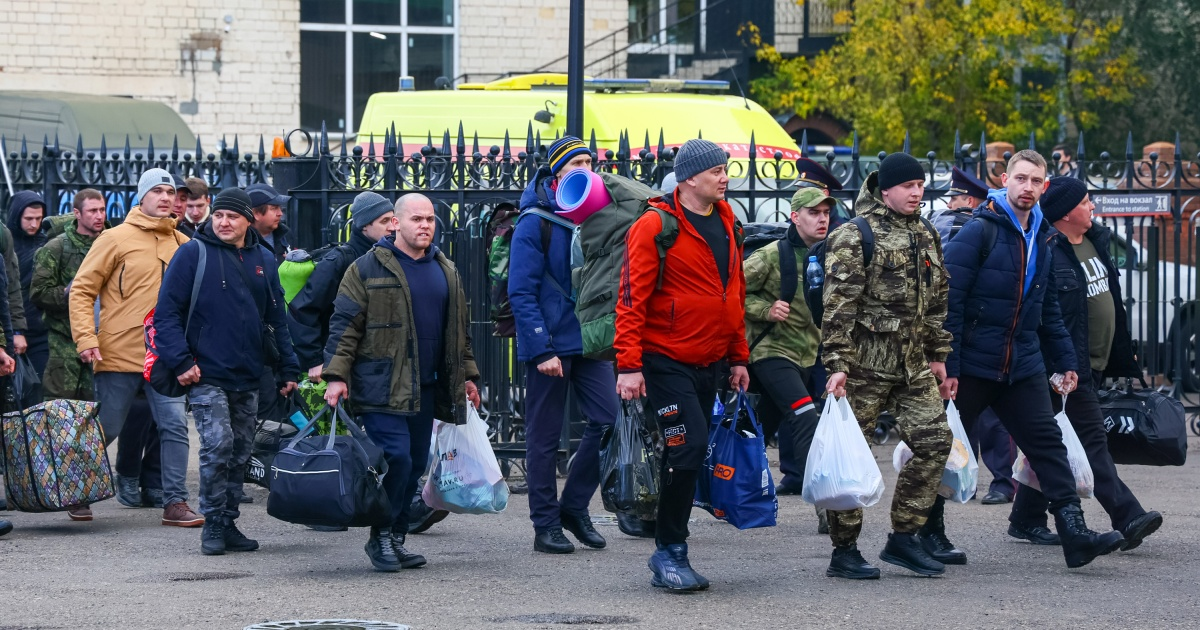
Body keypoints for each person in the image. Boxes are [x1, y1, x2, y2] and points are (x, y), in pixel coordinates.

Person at [941, 150, 1125, 569]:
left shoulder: (1043, 235)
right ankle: (929, 532)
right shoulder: (979, 231)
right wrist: (947, 364)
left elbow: (1048, 309)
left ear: (1044, 186)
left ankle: (1075, 535)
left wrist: (1065, 361)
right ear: (1005, 180)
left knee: (1048, 446)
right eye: (1021, 178)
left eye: (1036, 181)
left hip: (1022, 364)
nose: (1028, 187)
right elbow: (949, 303)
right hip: (974, 363)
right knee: (943, 448)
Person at [615, 138, 750, 592]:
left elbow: (733, 294)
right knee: (687, 447)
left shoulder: (729, 221)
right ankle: (669, 551)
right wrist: (628, 365)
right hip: (665, 360)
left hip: (710, 361)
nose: (725, 178)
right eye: (716, 171)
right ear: (690, 177)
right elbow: (630, 298)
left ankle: (670, 545)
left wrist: (738, 357)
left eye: (725, 169)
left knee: (689, 451)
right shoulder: (655, 225)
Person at [323, 192, 481, 572]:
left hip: (426, 385)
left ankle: (396, 537)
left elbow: (459, 332)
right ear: (395, 223)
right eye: (416, 219)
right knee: (395, 457)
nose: (425, 225)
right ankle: (380, 536)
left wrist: (468, 375)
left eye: (430, 219)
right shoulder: (366, 267)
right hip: (381, 383)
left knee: (414, 463)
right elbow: (345, 325)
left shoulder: (445, 269)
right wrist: (336, 375)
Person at [1005, 176, 1163, 550]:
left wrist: (1120, 351)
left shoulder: (1095, 242)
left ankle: (1026, 518)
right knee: (1091, 440)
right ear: (1064, 213)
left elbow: (1110, 301)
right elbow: (1045, 317)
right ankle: (1128, 515)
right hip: (1065, 365)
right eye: (1085, 201)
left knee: (1048, 442)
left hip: (1093, 362)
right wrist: (1058, 365)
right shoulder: (1049, 251)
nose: (1092, 206)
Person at [820, 153, 954, 579]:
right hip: (864, 367)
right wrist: (837, 363)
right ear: (886, 190)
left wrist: (938, 355)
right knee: (852, 457)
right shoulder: (854, 234)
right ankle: (845, 550)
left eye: (921, 185)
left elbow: (937, 299)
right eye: (908, 186)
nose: (917, 193)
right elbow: (838, 305)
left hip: (912, 365)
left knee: (935, 442)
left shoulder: (926, 232)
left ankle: (904, 538)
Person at [154, 187, 300, 555]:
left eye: (231, 216)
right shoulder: (192, 254)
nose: (223, 222)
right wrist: (181, 362)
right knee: (218, 445)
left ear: (248, 220)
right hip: (205, 374)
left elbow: (276, 317)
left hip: (248, 373)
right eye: (218, 215)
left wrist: (288, 367)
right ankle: (213, 523)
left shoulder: (262, 258)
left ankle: (229, 520)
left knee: (240, 451)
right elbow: (166, 315)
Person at [68, 167, 204, 528]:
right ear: (141, 197)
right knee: (108, 427)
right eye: (157, 191)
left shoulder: (185, 245)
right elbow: (82, 290)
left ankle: (175, 502)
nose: (165, 197)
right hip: (118, 351)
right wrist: (86, 338)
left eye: (170, 192)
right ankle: (77, 491)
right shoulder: (113, 238)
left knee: (174, 426)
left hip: (167, 356)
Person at [509, 136, 618, 554]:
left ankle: (573, 507)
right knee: (544, 437)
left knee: (609, 420)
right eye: (576, 163)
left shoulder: (596, 213)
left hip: (590, 340)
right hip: (551, 343)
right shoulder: (534, 221)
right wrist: (541, 348)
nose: (586, 168)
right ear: (557, 173)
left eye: (590, 161)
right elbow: (521, 291)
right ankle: (545, 525)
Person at [287, 190, 400, 533]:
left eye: (394, 219)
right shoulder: (340, 260)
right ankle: (327, 506)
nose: (393, 226)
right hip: (336, 365)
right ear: (365, 226)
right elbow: (303, 310)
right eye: (384, 221)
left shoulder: (392, 256)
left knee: (377, 438)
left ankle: (383, 503)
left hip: (374, 366)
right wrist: (315, 360)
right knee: (334, 438)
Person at [929, 167, 1018, 504]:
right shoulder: (954, 227)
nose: (948, 204)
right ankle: (976, 479)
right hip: (965, 331)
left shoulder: (977, 229)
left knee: (987, 413)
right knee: (968, 412)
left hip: (980, 334)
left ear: (968, 200)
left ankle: (994, 481)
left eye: (953, 198)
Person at [743, 187, 829, 532]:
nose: (822, 219)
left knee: (756, 431)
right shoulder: (771, 255)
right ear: (795, 217)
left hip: (807, 356)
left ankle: (729, 492)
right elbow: (729, 290)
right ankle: (827, 508)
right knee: (806, 418)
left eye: (826, 213)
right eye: (813, 213)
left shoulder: (832, 254)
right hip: (771, 353)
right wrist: (765, 309)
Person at [30, 188, 106, 401]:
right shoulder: (56, 248)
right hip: (65, 338)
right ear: (77, 213)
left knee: (98, 406)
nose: (99, 216)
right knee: (60, 405)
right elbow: (38, 293)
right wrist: (68, 293)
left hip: (103, 338)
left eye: (102, 210)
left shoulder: (112, 243)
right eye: (92, 211)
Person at [6, 191, 48, 407]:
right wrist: (16, 331)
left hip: (41, 330)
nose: (34, 224)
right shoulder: (8, 244)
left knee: (38, 393)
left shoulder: (45, 242)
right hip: (10, 331)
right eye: (28, 218)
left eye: (39, 219)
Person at [246, 183, 292, 264]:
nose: (280, 213)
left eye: (279, 208)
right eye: (274, 208)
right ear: (256, 213)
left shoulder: (284, 234)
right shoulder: (242, 243)